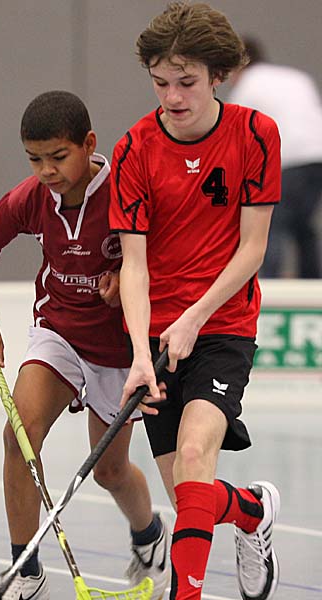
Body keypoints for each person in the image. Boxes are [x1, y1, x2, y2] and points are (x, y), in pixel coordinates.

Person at [0, 90, 169, 600]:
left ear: (89, 144)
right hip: (58, 334)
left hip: (118, 350)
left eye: (57, 157)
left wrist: (128, 281)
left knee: (110, 471)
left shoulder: (125, 190)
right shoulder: (31, 198)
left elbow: (164, 260)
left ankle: (149, 535)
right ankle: (26, 572)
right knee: (19, 437)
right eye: (34, 159)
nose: (46, 171)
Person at [109, 3, 281, 600]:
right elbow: (133, 264)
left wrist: (194, 317)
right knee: (190, 496)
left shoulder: (256, 134)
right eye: (161, 83)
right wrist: (139, 353)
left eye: (186, 82)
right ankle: (253, 511)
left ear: (218, 76)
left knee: (193, 453)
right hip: (156, 335)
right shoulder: (134, 148)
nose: (172, 96)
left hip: (224, 322)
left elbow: (253, 248)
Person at [229, 37, 322, 278]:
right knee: (302, 224)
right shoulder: (296, 77)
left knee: (271, 221)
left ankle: (268, 281)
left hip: (290, 158)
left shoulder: (247, 86)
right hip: (317, 157)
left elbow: (235, 137)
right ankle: (313, 281)